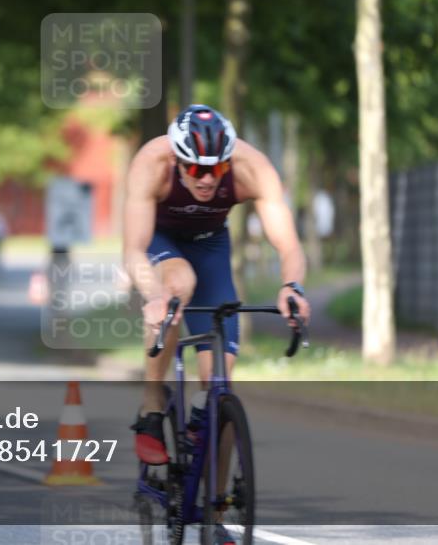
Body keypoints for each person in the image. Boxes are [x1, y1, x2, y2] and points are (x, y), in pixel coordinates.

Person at [122, 105, 311, 545]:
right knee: (178, 285)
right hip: (160, 243)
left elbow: (288, 244)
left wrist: (292, 287)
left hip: (211, 247)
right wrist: (154, 295)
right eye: (194, 168)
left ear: (228, 161)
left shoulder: (252, 168)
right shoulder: (152, 162)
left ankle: (214, 510)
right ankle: (152, 403)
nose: (206, 179)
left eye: (215, 169)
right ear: (177, 160)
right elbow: (132, 250)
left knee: (220, 384)